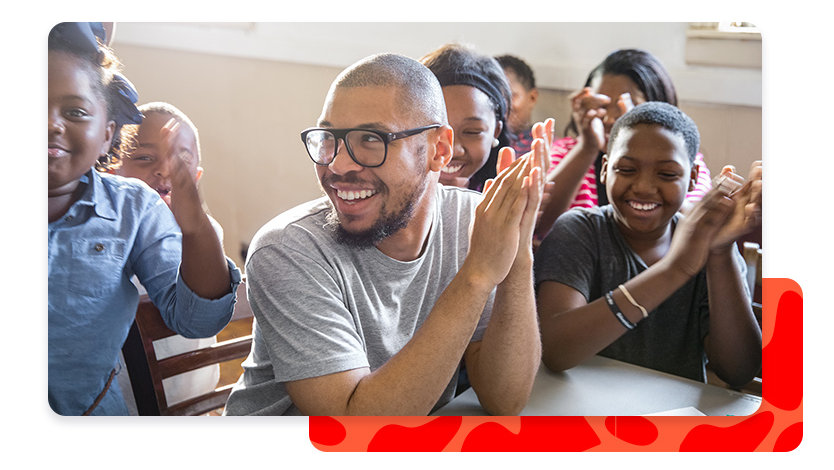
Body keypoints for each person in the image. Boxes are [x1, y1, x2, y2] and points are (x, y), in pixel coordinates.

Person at [224, 53, 545, 416]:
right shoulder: (287, 250)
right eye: (329, 138)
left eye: (371, 140)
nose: (338, 164)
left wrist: (517, 250)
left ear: (438, 150)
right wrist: (477, 276)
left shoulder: (472, 223)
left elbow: (505, 399)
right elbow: (355, 430)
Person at [48, 22, 240, 415]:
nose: (51, 123)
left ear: (107, 136)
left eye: (74, 111)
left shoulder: (134, 210)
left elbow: (197, 319)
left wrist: (195, 226)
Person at [534, 102, 762, 387]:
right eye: (627, 169)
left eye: (666, 174)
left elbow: (739, 371)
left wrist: (720, 252)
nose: (643, 186)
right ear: (605, 170)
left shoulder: (712, 249)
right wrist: (674, 269)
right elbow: (555, 351)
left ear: (692, 178)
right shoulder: (580, 231)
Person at [536, 49, 712, 239]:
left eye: (628, 107)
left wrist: (637, 136)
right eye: (602, 106)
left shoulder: (682, 162)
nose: (611, 119)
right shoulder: (565, 152)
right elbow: (536, 225)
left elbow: (696, 229)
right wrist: (587, 147)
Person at [116, 102, 225, 409]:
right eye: (144, 158)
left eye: (179, 159)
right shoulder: (108, 238)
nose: (163, 169)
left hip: (198, 407)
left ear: (197, 177)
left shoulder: (205, 236)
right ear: (112, 170)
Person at [419, 44, 513, 192]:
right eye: (435, 129)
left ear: (496, 131)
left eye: (472, 132)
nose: (454, 150)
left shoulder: (504, 198)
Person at [495, 54, 540, 156]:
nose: (503, 105)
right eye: (495, 96)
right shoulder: (482, 145)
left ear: (532, 98)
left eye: (511, 96)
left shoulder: (546, 148)